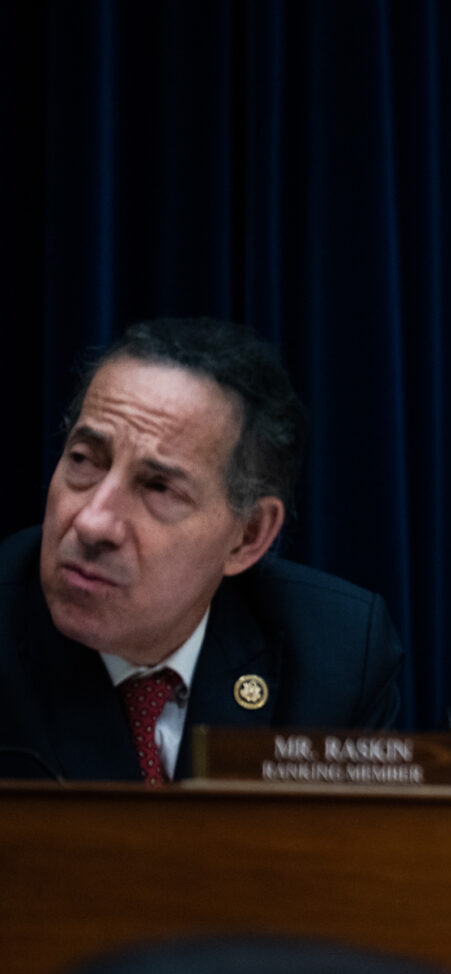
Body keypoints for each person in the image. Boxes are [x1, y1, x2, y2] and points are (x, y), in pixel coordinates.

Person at [0, 318, 404, 783]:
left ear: (248, 535)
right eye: (84, 460)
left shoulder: (336, 656)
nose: (92, 523)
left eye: (158, 487)